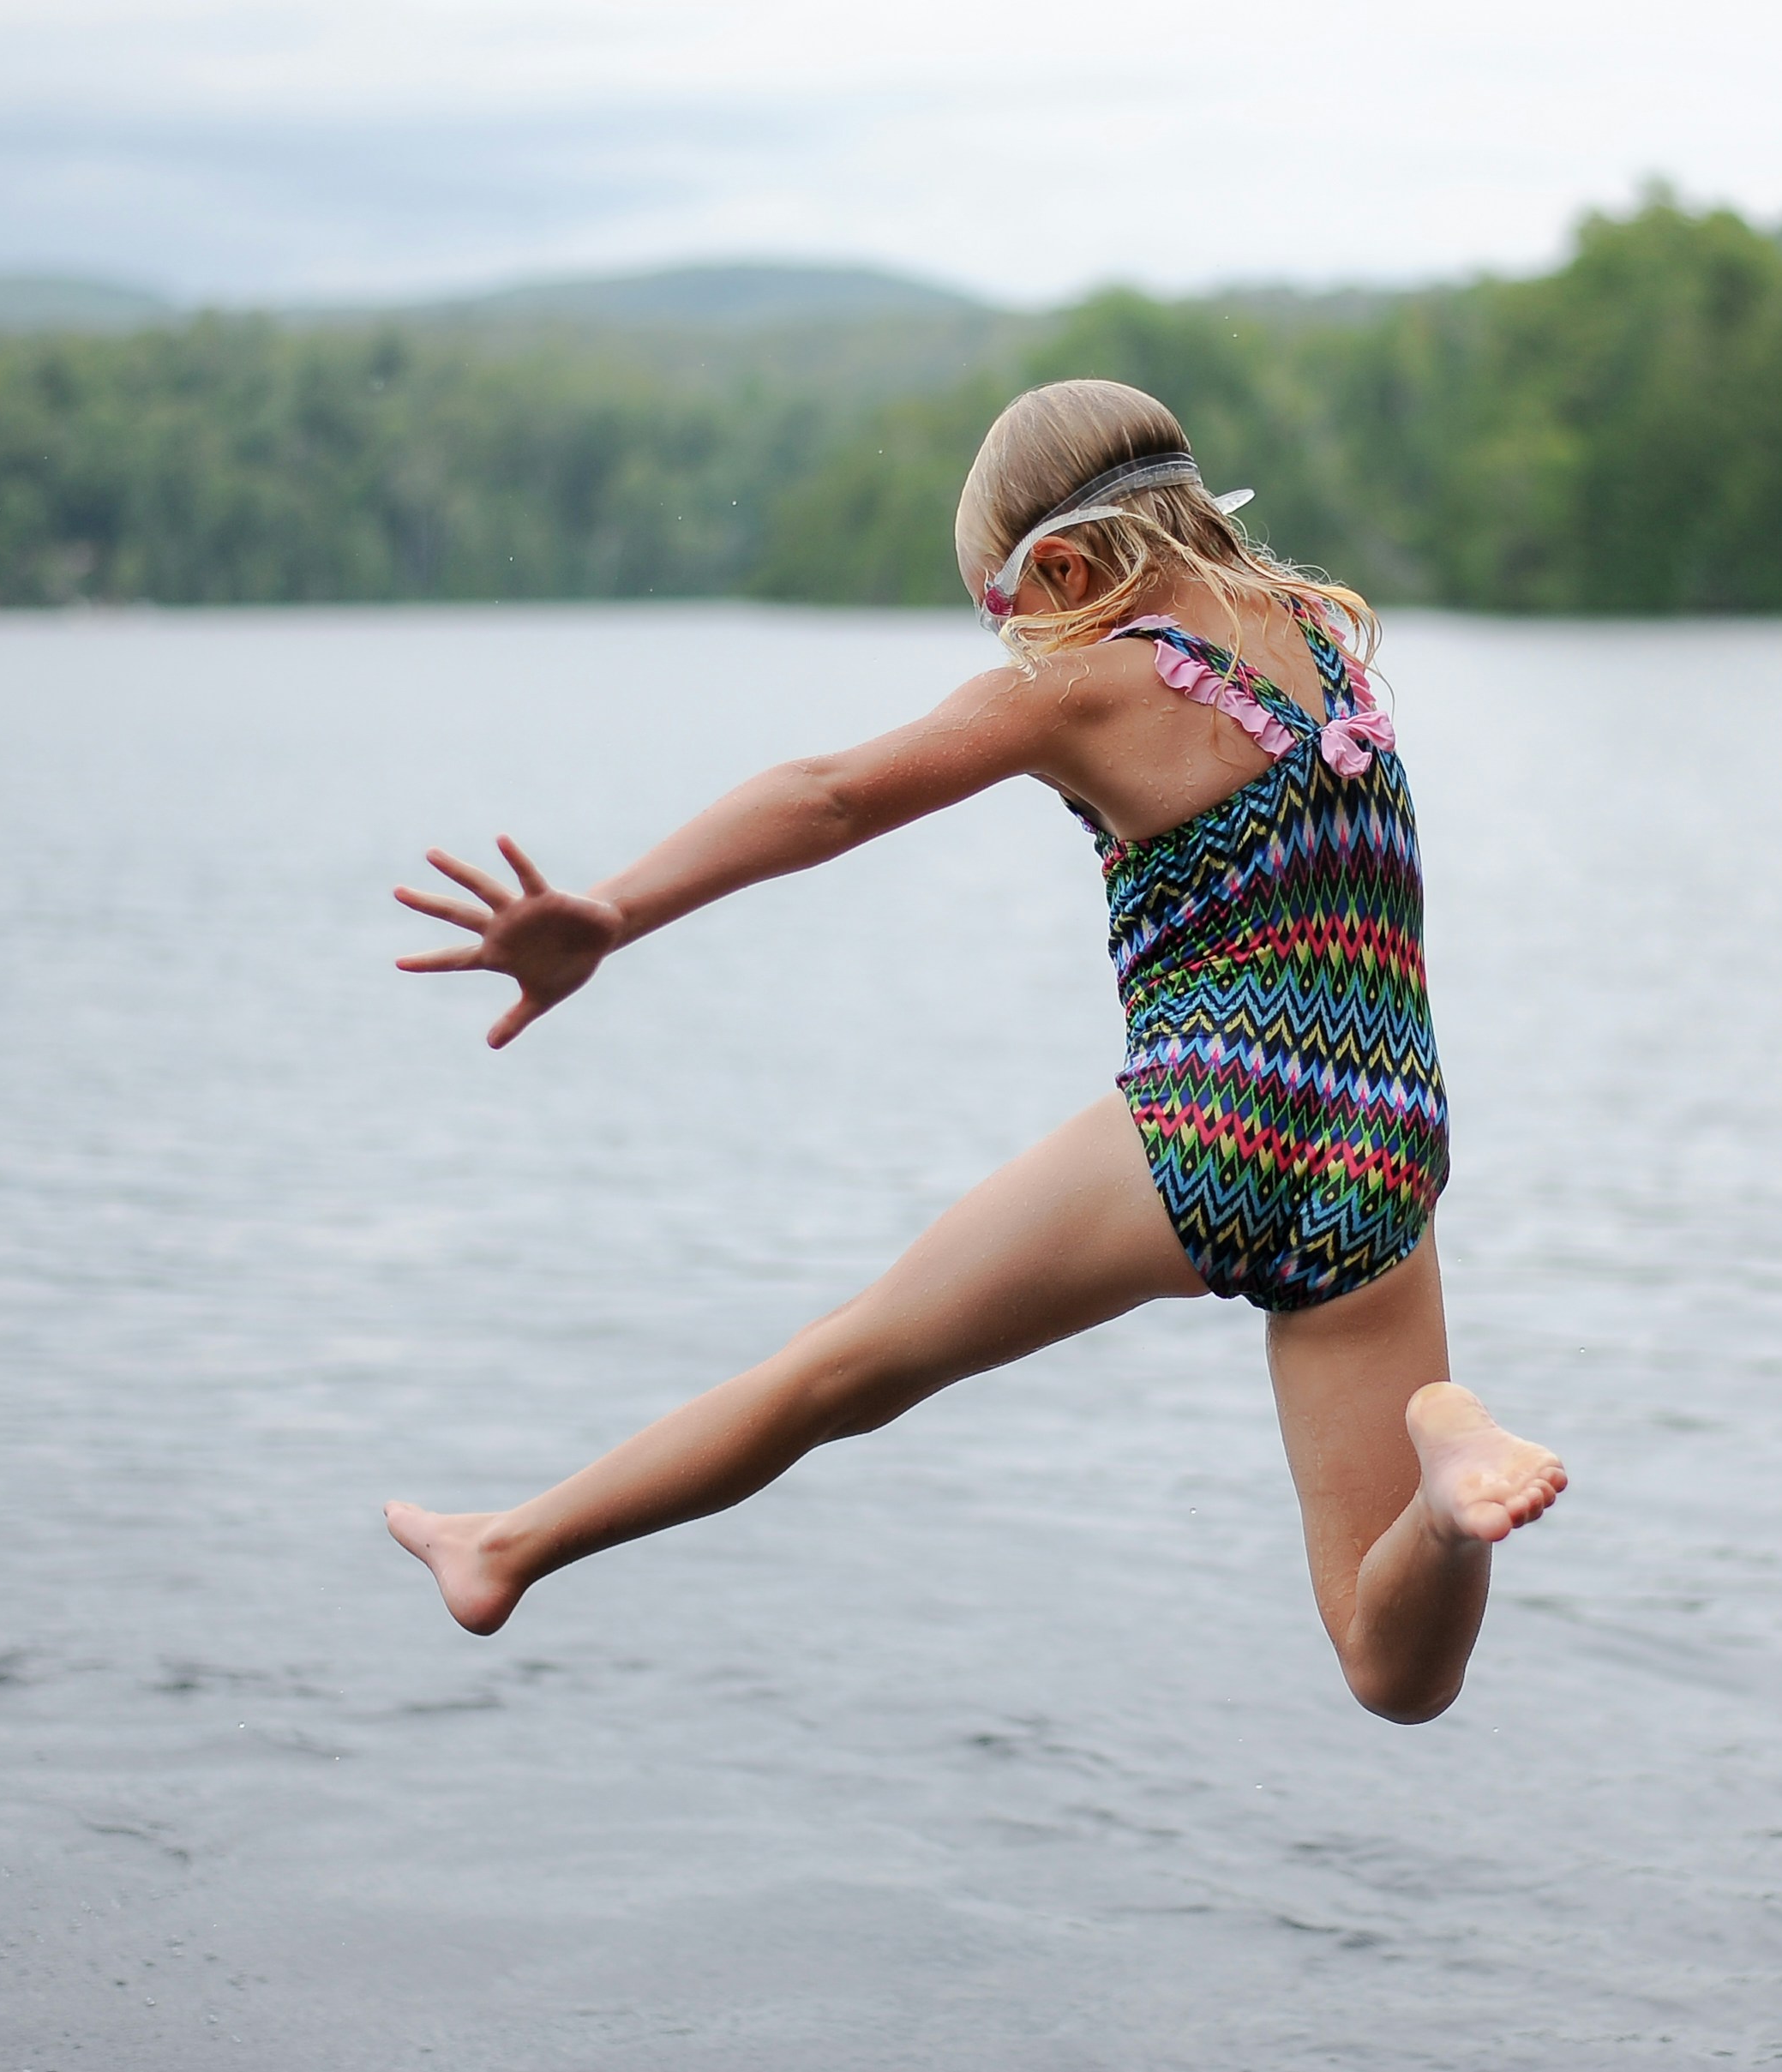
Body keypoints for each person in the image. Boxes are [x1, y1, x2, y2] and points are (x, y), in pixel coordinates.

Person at [384, 380, 1565, 1723]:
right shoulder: (1324, 639)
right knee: (1394, 1666)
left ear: (1061, 568)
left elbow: (826, 795)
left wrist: (613, 909)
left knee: (839, 1370)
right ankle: (1447, 1482)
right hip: (1386, 1146)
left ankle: (507, 1545)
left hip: (1210, 1122)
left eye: (1007, 615)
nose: (1015, 646)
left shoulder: (1090, 689)